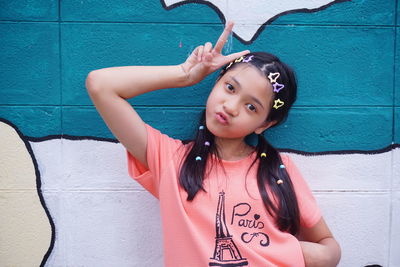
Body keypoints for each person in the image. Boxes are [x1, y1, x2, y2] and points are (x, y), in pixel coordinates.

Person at [86, 22, 341, 267]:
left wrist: (275, 250)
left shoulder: (277, 170)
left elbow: (329, 249)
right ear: (217, 81)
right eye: (230, 87)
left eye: (251, 107)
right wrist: (184, 75)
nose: (230, 107)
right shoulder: (170, 160)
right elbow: (101, 85)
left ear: (264, 124)